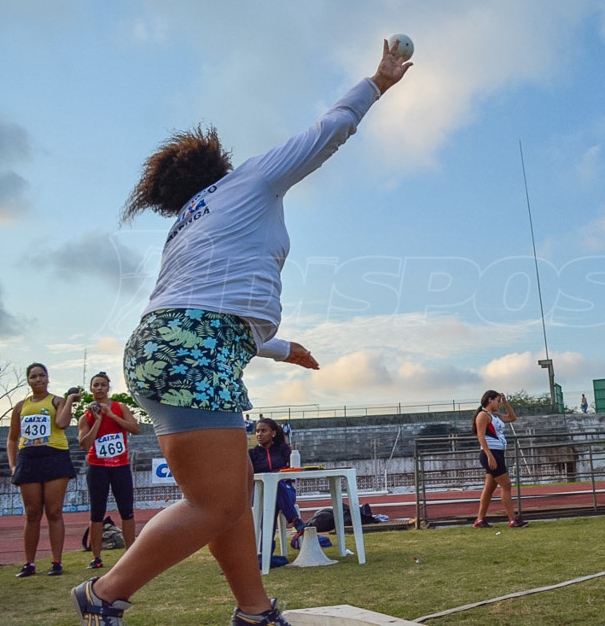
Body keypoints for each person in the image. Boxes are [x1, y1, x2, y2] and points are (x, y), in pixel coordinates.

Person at [72, 40, 412, 626]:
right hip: (196, 350)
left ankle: (255, 610)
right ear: (220, 165)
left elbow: (210, 309)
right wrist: (377, 82)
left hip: (170, 346)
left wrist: (279, 348)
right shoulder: (248, 181)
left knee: (225, 496)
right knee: (220, 500)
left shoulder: (186, 222)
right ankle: (103, 593)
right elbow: (327, 130)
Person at [6, 362, 80, 577]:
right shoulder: (20, 406)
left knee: (54, 511)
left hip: (54, 456)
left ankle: (56, 562)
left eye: (41, 376)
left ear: (48, 378)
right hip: (28, 457)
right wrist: (13, 464)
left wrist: (70, 402)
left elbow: (63, 423)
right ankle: (29, 563)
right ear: (28, 380)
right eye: (33, 377)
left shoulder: (57, 401)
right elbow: (12, 438)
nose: (38, 380)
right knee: (32, 513)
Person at [77, 371, 141, 569]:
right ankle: (96, 557)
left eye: (103, 385)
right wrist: (97, 420)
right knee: (97, 513)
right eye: (95, 385)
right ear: (91, 389)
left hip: (120, 467)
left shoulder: (119, 407)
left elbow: (135, 429)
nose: (99, 388)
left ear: (108, 388)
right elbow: (84, 444)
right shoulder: (85, 417)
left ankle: (130, 555)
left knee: (127, 511)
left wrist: (111, 415)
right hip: (98, 468)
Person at [472, 390, 528, 529]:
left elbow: (512, 417)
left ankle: (480, 520)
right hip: (491, 454)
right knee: (506, 485)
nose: (499, 404)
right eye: (497, 401)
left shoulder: (495, 416)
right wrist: (490, 456)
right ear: (489, 400)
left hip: (498, 453)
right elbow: (481, 436)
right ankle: (512, 519)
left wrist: (506, 401)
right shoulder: (483, 415)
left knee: (490, 488)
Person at [248, 418, 305, 537]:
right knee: (269, 501)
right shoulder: (252, 454)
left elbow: (292, 470)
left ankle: (266, 551)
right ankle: (295, 520)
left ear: (273, 433)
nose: (259, 434)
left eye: (264, 431)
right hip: (261, 493)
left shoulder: (283, 449)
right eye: (257, 431)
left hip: (284, 490)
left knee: (276, 485)